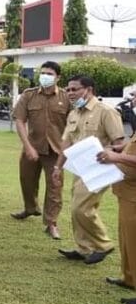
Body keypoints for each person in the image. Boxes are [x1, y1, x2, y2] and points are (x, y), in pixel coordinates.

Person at [53, 75, 124, 264]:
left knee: (81, 208)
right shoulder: (74, 114)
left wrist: (107, 152)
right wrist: (57, 167)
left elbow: (119, 144)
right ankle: (83, 248)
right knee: (76, 206)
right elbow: (66, 143)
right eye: (68, 90)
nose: (70, 93)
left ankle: (103, 244)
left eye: (74, 89)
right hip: (80, 168)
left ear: (89, 90)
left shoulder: (106, 112)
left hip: (100, 169)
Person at [11, 61, 70, 239]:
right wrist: (27, 146)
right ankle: (30, 208)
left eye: (49, 74)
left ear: (58, 77)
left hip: (56, 151)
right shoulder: (28, 95)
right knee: (27, 180)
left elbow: (73, 124)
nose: (45, 76)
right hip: (33, 146)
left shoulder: (66, 98)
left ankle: (51, 223)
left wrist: (67, 148)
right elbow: (20, 120)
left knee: (55, 187)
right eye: (43, 73)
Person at [96, 137, 136, 304]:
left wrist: (117, 157)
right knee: (126, 238)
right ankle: (129, 278)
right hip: (127, 192)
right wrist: (121, 147)